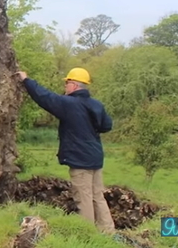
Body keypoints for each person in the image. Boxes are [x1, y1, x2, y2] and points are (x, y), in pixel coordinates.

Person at [15, 67, 115, 233]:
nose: (65, 87)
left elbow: (45, 97)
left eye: (67, 83)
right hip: (95, 157)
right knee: (98, 196)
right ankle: (108, 232)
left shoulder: (69, 104)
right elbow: (106, 126)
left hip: (80, 159)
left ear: (74, 85)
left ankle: (87, 234)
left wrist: (27, 80)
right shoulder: (96, 104)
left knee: (83, 198)